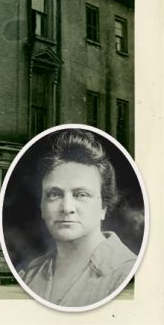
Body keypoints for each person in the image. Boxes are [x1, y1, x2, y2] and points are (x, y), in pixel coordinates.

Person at [19, 129, 136, 308]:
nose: (67, 208)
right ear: (42, 206)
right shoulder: (31, 274)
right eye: (54, 194)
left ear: (103, 206)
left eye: (81, 194)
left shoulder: (128, 273)